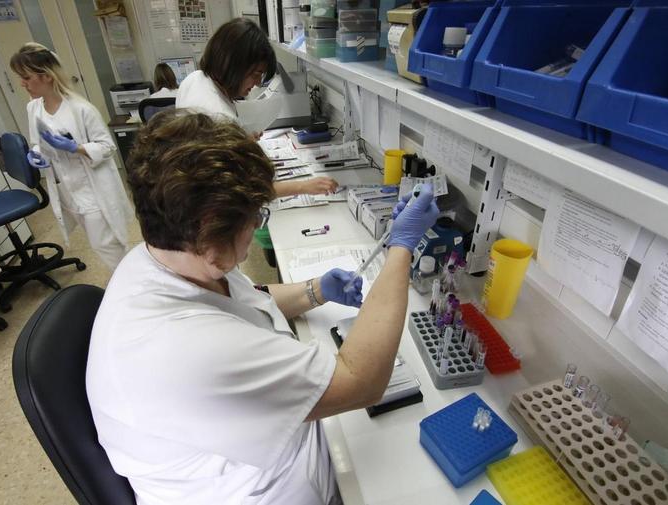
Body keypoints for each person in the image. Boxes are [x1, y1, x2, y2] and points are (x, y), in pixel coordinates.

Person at [85, 109, 439, 505]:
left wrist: (315, 290)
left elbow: (245, 299)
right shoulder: (186, 350)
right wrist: (403, 246)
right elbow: (362, 381)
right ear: (209, 236)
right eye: (254, 218)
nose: (256, 227)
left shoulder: (165, 258)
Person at [177, 17, 337, 198]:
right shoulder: (220, 119)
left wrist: (240, 140)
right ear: (233, 64)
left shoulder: (194, 79)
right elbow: (242, 192)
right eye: (256, 73)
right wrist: (304, 186)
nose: (257, 83)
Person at [10, 43, 134, 270]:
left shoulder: (81, 109)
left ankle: (132, 290)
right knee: (100, 246)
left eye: (26, 78)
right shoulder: (34, 108)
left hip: (93, 190)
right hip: (67, 190)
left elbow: (107, 147)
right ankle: (127, 286)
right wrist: (36, 154)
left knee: (108, 247)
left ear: (46, 76)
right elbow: (37, 142)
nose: (22, 84)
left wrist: (75, 148)